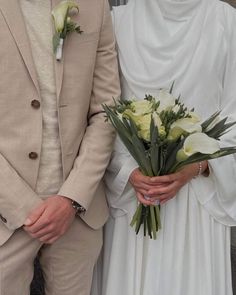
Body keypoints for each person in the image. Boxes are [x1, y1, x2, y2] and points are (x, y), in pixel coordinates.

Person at [92, 0, 236, 294]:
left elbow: (233, 116)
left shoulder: (226, 20)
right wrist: (130, 171)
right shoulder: (117, 20)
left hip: (196, 197)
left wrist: (195, 167)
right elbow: (100, 111)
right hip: (134, 193)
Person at [0, 0, 120, 294]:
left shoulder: (94, 6)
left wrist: (71, 197)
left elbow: (107, 110)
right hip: (6, 212)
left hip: (77, 213)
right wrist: (21, 205)